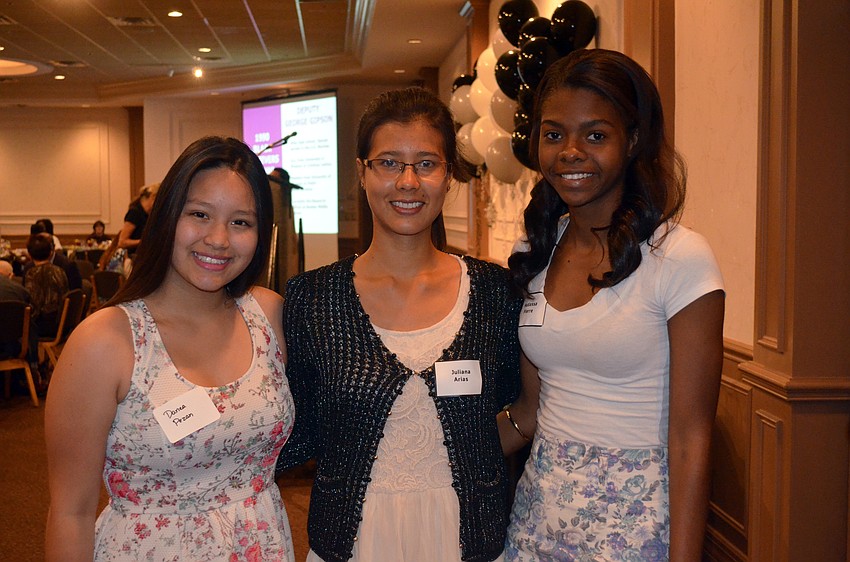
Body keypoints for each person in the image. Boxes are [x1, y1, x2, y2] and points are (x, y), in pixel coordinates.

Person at [276, 87, 522, 562]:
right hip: (354, 537)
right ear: (361, 173)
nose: (408, 181)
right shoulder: (312, 299)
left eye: (426, 163)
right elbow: (293, 426)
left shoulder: (495, 293)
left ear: (448, 175)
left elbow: (518, 404)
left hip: (466, 534)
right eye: (389, 163)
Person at [502, 49, 725, 562]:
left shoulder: (679, 257)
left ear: (634, 141)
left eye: (595, 135)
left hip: (636, 525)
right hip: (539, 517)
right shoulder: (534, 252)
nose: (570, 152)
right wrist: (433, 460)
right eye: (553, 134)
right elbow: (531, 413)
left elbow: (692, 440)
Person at [44, 136, 297, 561]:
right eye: (199, 214)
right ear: (166, 218)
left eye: (241, 222)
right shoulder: (106, 342)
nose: (218, 239)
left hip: (261, 545)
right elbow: (71, 512)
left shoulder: (268, 315)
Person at [23, 233, 69, 338]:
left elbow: (32, 307)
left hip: (41, 328)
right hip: (61, 324)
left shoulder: (31, 274)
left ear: (29, 254)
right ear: (50, 253)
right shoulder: (60, 271)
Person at [117, 182, 158, 259]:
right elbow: (122, 242)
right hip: (135, 259)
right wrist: (144, 241)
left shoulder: (149, 214)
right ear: (153, 197)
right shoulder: (135, 213)